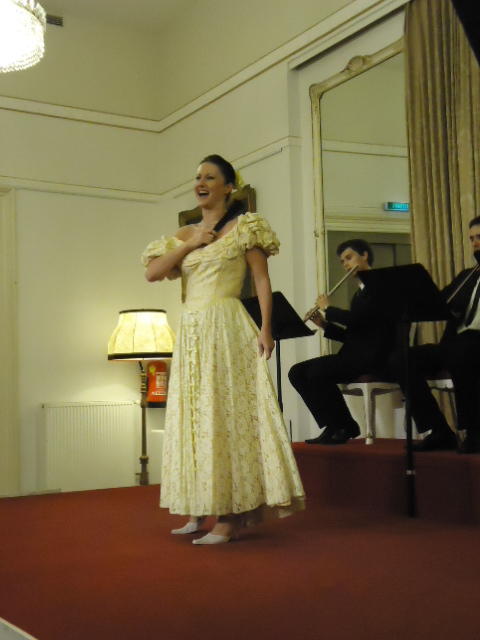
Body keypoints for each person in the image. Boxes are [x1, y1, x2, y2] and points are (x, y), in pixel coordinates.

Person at [142, 154, 304, 544]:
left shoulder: (245, 226)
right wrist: (191, 243)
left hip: (227, 326)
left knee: (224, 416)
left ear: (228, 186)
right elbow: (153, 273)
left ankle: (230, 516)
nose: (201, 182)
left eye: (210, 177)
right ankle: (199, 506)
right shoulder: (184, 234)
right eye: (198, 176)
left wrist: (266, 328)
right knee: (194, 417)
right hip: (192, 332)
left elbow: (261, 280)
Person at [289, 239, 396, 445]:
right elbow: (353, 334)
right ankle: (335, 424)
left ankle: (344, 426)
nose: (346, 264)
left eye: (349, 258)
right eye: (342, 261)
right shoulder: (360, 293)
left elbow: (357, 320)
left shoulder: (381, 286)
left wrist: (328, 309)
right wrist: (323, 324)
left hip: (373, 357)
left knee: (317, 372)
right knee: (297, 372)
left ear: (364, 255)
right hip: (355, 355)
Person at [388, 216, 480, 453]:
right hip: (454, 344)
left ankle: (474, 432)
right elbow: (438, 302)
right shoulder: (467, 276)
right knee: (401, 359)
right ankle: (438, 430)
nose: (475, 243)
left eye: (479, 237)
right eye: (471, 239)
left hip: (474, 345)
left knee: (465, 351)